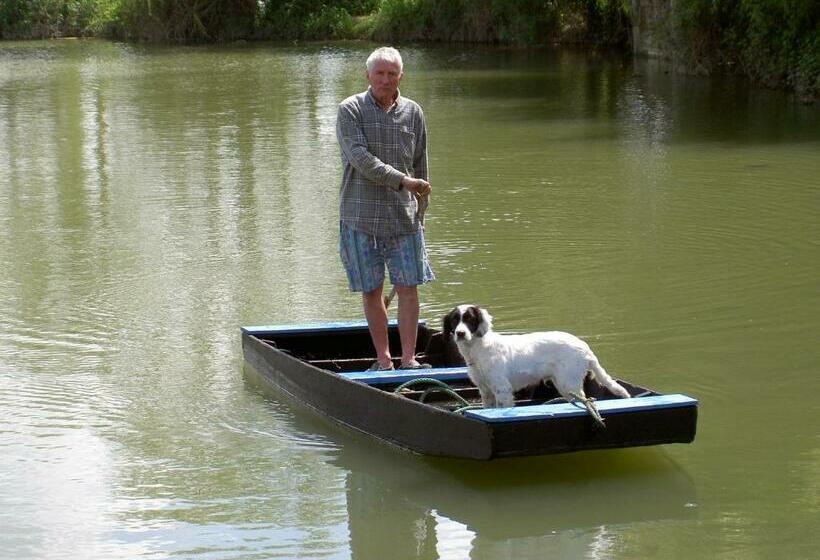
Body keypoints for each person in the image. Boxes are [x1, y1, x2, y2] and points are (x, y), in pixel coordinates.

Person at [336, 46, 434, 371]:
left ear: (400, 77)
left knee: (408, 289)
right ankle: (384, 360)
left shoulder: (414, 112)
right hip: (360, 219)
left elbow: (421, 165)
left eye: (392, 73)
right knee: (372, 291)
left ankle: (408, 360)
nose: (385, 79)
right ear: (368, 76)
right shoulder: (349, 110)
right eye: (379, 73)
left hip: (404, 221)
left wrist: (422, 210)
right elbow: (362, 160)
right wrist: (405, 182)